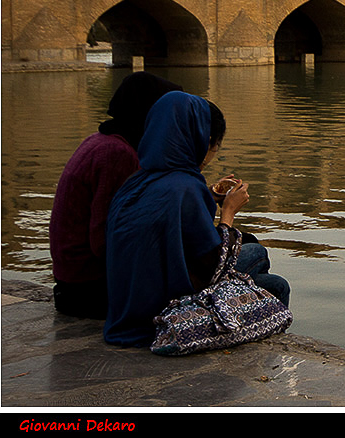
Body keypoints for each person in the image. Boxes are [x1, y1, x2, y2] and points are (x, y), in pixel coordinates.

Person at [104, 92, 289, 347]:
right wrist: (229, 212)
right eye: (214, 144)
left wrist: (209, 196)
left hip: (125, 311)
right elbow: (210, 269)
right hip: (165, 316)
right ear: (203, 140)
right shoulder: (186, 187)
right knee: (268, 272)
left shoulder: (137, 182)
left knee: (253, 254)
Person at [49, 72, 183, 319]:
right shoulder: (117, 154)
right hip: (90, 290)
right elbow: (106, 241)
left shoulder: (100, 141)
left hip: (73, 282)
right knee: (249, 259)